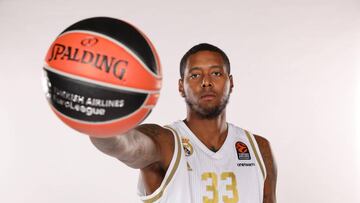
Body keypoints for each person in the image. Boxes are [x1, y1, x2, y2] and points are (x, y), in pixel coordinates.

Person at [90, 43, 277, 203]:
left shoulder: (258, 148)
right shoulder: (164, 143)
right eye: (195, 75)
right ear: (181, 86)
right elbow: (123, 145)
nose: (206, 82)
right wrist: (96, 115)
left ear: (230, 82)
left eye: (216, 73)